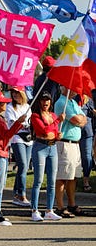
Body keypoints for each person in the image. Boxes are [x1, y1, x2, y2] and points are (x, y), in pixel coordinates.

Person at [0, 91, 26, 226]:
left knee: (0, 185)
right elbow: (6, 134)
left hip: (1, 152)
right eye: (2, 103)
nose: (5, 105)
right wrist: (18, 123)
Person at [30, 91, 65, 221]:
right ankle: (34, 210)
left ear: (50, 102)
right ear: (39, 101)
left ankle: (49, 210)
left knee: (51, 181)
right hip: (40, 147)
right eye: (43, 100)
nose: (45, 102)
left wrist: (58, 136)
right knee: (38, 181)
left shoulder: (53, 115)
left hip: (52, 147)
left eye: (47, 100)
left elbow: (53, 132)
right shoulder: (35, 116)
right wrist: (57, 121)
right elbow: (43, 130)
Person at [54, 86, 87, 218]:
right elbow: (77, 120)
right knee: (62, 176)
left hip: (75, 143)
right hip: (65, 143)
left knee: (73, 176)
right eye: (70, 87)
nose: (74, 90)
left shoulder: (73, 102)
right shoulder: (62, 102)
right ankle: (60, 206)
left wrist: (80, 119)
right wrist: (79, 119)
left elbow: (84, 120)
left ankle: (72, 204)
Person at [5, 86, 33, 207]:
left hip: (28, 139)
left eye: (17, 92)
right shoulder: (10, 108)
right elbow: (12, 125)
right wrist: (20, 121)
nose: (15, 95)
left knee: (25, 167)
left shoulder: (27, 107)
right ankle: (22, 194)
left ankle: (16, 193)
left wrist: (26, 124)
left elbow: (30, 122)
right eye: (13, 93)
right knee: (22, 165)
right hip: (17, 138)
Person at [77, 95, 95, 192]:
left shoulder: (90, 100)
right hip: (74, 132)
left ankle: (86, 180)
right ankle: (73, 179)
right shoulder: (72, 99)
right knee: (75, 158)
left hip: (87, 132)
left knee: (87, 157)